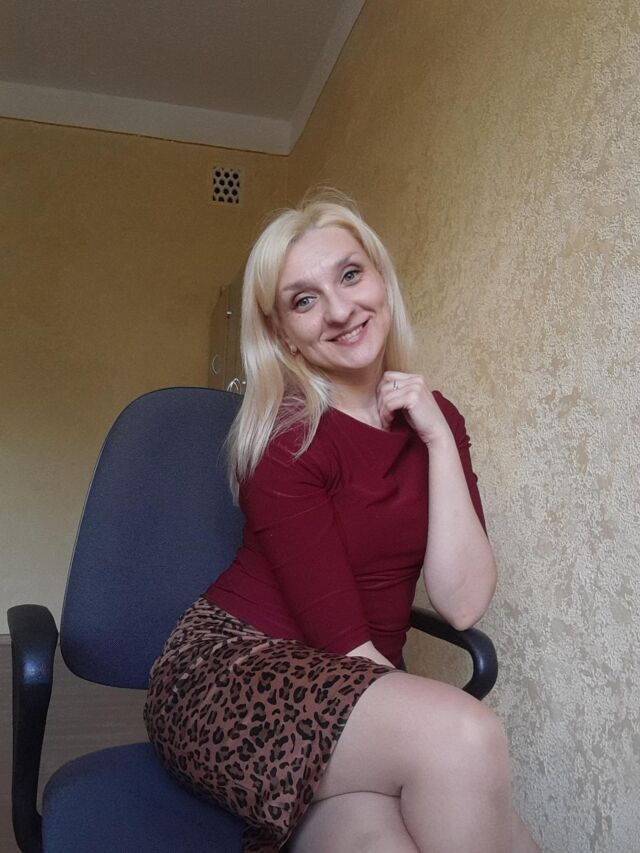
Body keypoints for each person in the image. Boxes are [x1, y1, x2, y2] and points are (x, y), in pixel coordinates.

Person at [144, 192, 540, 853]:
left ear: (381, 280)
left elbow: (463, 602)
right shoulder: (288, 437)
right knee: (465, 740)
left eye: (350, 275)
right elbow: (345, 648)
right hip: (230, 676)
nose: (339, 309)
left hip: (350, 689)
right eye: (304, 300)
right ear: (281, 333)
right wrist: (424, 738)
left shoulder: (434, 417)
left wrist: (438, 437)